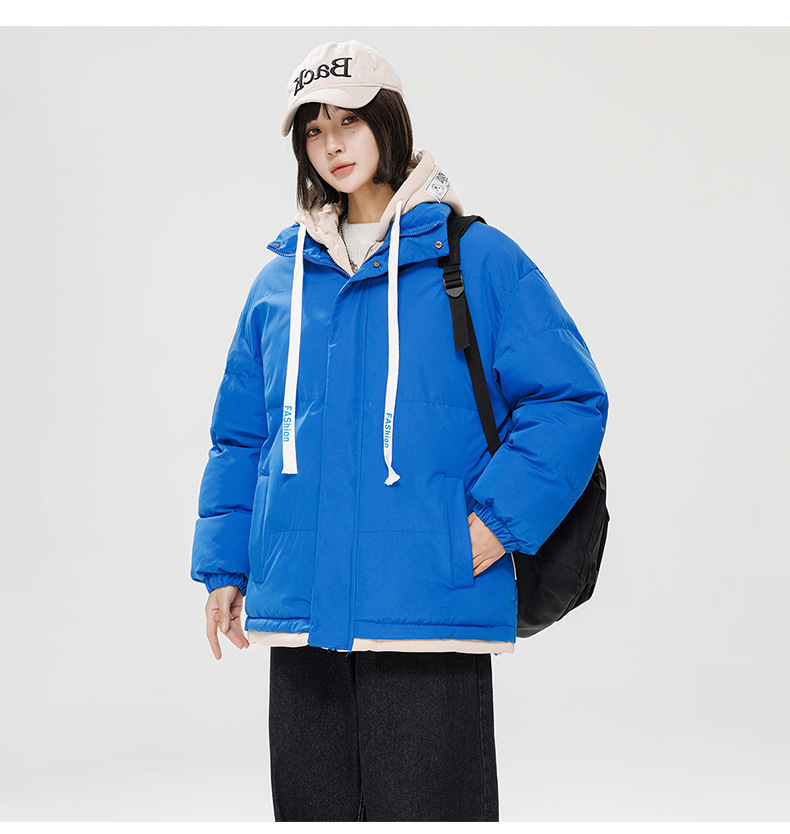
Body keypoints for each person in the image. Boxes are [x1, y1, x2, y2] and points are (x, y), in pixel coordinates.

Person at [190, 40, 609, 822]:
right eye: (314, 130)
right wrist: (223, 565)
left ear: (388, 122)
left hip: (429, 609)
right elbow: (240, 436)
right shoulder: (279, 282)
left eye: (348, 121)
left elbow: (569, 400)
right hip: (302, 616)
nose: (333, 144)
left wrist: (493, 524)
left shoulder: (475, 260)